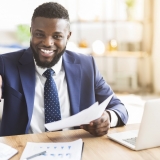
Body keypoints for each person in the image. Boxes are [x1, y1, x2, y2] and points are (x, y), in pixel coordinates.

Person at [0, 2, 128, 137]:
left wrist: (108, 117)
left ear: (68, 36)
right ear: (31, 32)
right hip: (24, 149)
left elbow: (120, 108)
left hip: (77, 147)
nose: (47, 43)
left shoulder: (87, 66)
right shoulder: (6, 64)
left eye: (57, 36)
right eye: (40, 34)